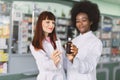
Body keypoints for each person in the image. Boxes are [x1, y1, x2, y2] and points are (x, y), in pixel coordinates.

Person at [66, 1, 103, 80]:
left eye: (84, 20)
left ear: (91, 21)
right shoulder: (73, 41)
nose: (80, 24)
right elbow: (68, 65)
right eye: (77, 21)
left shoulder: (96, 42)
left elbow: (89, 67)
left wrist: (73, 59)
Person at [30, 11, 66, 80]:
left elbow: (63, 59)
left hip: (61, 77)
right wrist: (53, 60)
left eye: (53, 22)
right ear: (40, 23)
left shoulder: (56, 40)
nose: (51, 25)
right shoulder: (35, 44)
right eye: (48, 22)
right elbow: (44, 65)